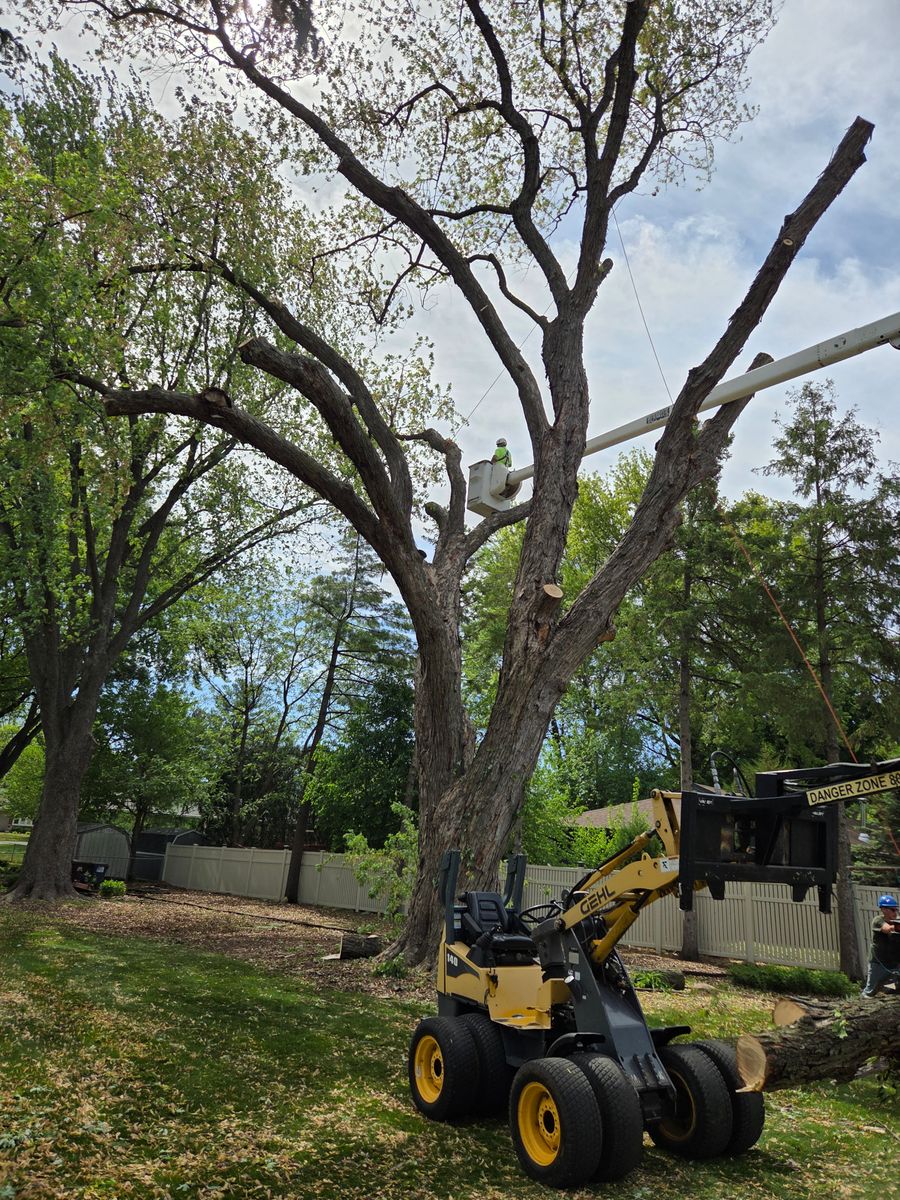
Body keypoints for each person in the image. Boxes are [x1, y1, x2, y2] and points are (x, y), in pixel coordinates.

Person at [861, 894, 900, 996]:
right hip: (878, 963)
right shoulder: (878, 920)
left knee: (895, 987)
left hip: (894, 963)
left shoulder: (897, 922)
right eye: (893, 910)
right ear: (884, 909)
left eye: (896, 909)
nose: (895, 912)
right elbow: (888, 929)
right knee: (870, 991)